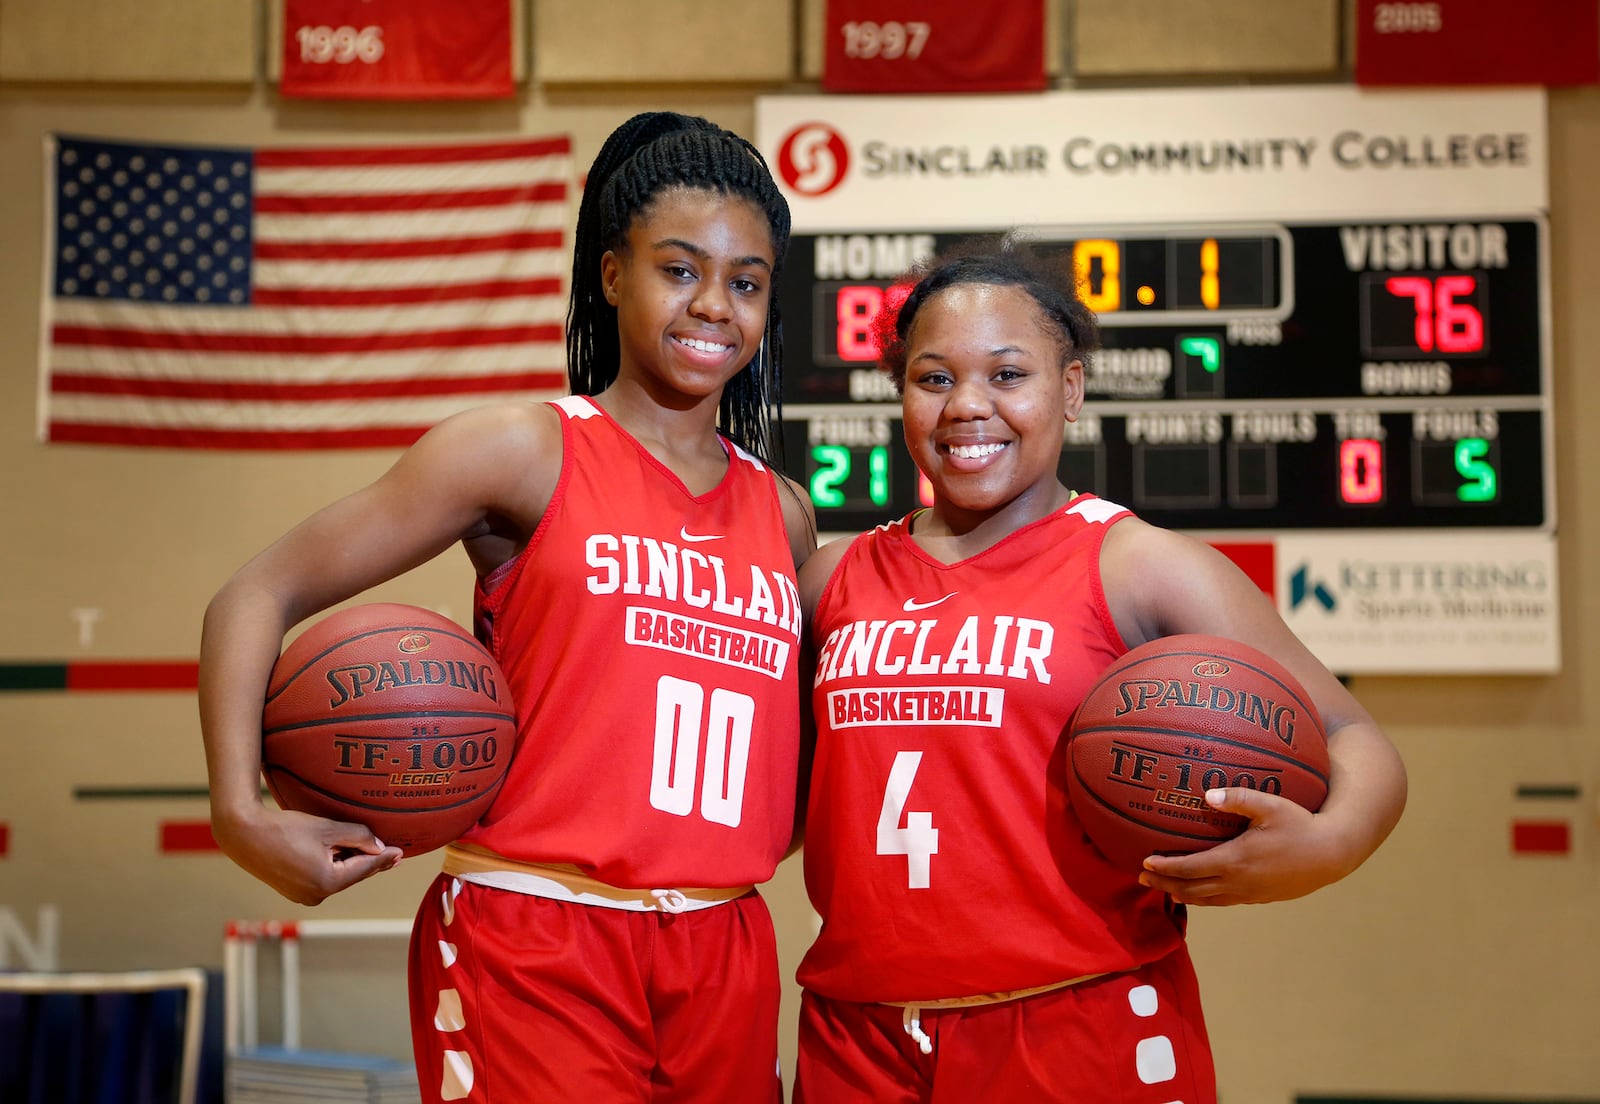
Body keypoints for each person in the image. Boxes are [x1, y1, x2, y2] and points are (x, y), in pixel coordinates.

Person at [198, 112, 815, 1103]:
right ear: (612, 274)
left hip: (723, 940)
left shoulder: (782, 513)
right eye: (679, 269)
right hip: (537, 933)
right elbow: (256, 591)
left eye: (745, 282)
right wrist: (240, 810)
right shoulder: (521, 451)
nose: (714, 305)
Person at [791, 243, 1407, 1103]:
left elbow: (1352, 736)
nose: (968, 406)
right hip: (857, 1036)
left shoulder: (1139, 565)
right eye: (933, 379)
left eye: (1009, 376)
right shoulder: (833, 578)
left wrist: (1329, 845)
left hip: (1078, 1020)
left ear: (1070, 390)